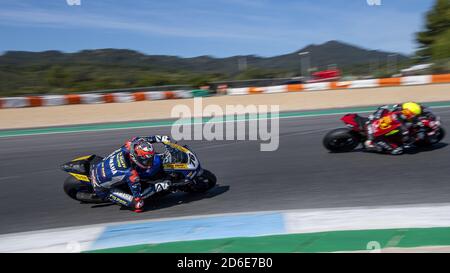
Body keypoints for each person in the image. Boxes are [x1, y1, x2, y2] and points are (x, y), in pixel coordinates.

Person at [90, 135, 172, 212]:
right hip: (100, 187)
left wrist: (160, 138)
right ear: (135, 157)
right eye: (146, 160)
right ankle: (108, 194)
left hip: (98, 165)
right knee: (139, 206)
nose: (149, 162)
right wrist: (157, 187)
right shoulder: (131, 174)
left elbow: (143, 140)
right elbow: (138, 196)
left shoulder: (130, 145)